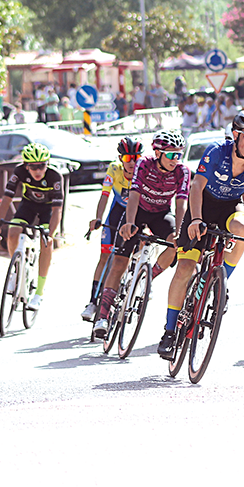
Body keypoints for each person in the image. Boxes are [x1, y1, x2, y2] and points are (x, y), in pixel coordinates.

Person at [157, 109, 244, 359]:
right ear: (236, 134)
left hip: (230, 206)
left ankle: (222, 282)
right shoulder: (216, 151)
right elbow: (196, 186)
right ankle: (168, 331)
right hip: (202, 206)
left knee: (243, 229)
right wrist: (196, 218)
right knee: (185, 269)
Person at [92, 131, 190, 337]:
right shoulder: (144, 164)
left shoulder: (183, 171)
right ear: (158, 153)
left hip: (162, 213)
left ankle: (148, 278)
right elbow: (134, 194)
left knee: (175, 244)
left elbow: (181, 203)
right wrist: (128, 223)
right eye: (171, 155)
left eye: (179, 155)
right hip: (137, 212)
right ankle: (102, 316)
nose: (176, 160)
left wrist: (180, 232)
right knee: (119, 262)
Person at [0, 143, 63, 310]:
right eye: (33, 167)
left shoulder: (54, 176)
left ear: (47, 164)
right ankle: (15, 271)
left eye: (42, 166)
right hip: (28, 205)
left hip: (48, 209)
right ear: (26, 166)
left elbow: (57, 209)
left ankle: (39, 292)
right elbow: (7, 198)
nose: (38, 171)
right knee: (12, 231)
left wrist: (50, 234)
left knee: (47, 243)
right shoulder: (19, 172)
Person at [81, 137, 143, 322]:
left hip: (137, 215)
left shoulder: (144, 171)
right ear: (120, 158)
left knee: (136, 252)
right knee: (105, 256)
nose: (131, 163)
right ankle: (93, 302)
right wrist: (98, 218)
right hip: (116, 213)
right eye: (127, 159)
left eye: (136, 158)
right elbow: (104, 196)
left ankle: (135, 285)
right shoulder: (114, 169)